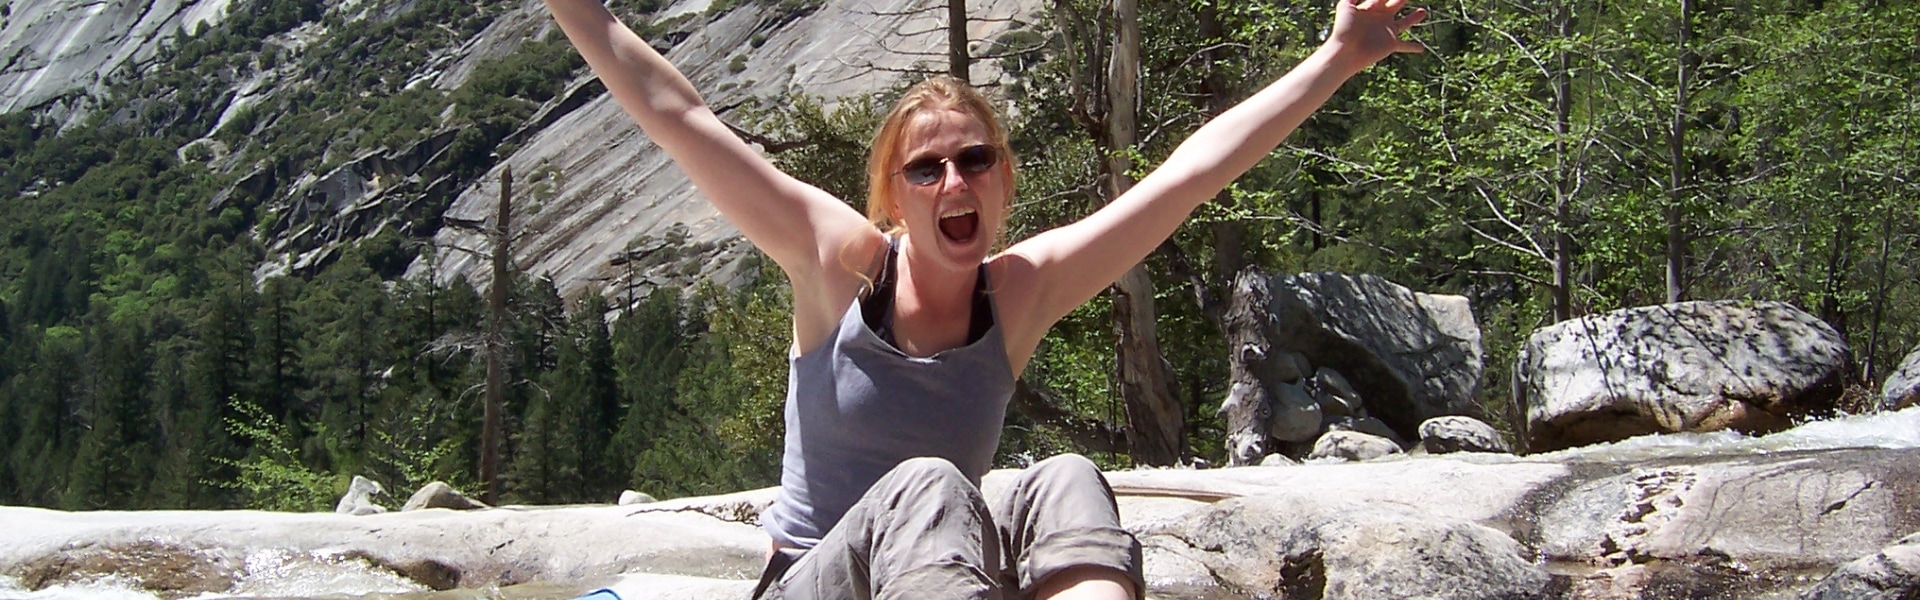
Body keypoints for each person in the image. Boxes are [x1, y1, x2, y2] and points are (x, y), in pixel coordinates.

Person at [542, 0, 1426, 596]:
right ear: (894, 197)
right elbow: (680, 115)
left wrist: (1337, 57)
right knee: (927, 483)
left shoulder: (1023, 291)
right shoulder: (838, 263)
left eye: (974, 160)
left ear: (1004, 183)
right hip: (816, 580)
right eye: (925, 168)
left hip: (940, 578)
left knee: (1068, 479)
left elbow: (1186, 177)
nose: (952, 179)